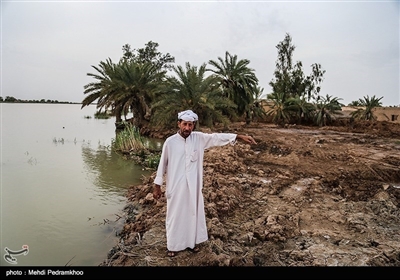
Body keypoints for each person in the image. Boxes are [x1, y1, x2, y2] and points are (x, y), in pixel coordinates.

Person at [152, 109, 257, 257]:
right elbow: (162, 165)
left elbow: (216, 138)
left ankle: (191, 243)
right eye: (185, 124)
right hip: (175, 188)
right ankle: (173, 246)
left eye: (190, 125)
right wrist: (157, 186)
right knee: (175, 216)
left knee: (192, 214)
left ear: (193, 126)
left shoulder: (199, 138)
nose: (187, 128)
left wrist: (238, 137)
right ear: (179, 124)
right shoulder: (170, 142)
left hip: (194, 187)